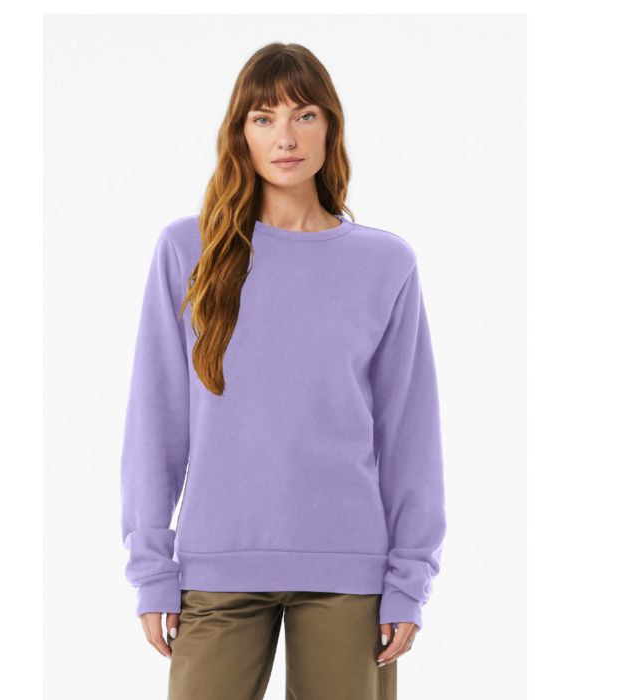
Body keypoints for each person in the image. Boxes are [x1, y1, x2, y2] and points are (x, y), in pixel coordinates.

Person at [120, 41, 447, 700]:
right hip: (217, 564)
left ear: (330, 126)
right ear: (240, 133)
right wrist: (152, 567)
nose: (285, 137)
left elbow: (410, 436)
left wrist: (409, 579)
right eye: (263, 118)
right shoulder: (189, 250)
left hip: (349, 572)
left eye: (304, 115)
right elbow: (157, 420)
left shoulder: (385, 264)